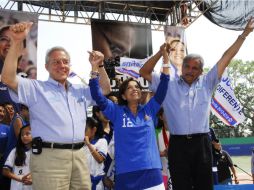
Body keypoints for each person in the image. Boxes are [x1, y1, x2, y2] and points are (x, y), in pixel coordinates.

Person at [140, 18, 254, 190]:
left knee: (204, 186)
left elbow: (227, 56)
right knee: (181, 186)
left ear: (201, 71)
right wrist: (159, 53)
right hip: (177, 144)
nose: (190, 71)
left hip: (202, 144)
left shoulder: (208, 82)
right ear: (182, 67)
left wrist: (244, 34)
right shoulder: (167, 83)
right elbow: (144, 71)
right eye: (187, 66)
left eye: (195, 68)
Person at [1, 22, 111, 190]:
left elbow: (104, 89)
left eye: (65, 62)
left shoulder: (79, 90)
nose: (62, 65)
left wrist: (100, 65)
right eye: (56, 62)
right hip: (49, 159)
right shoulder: (36, 88)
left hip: (80, 156)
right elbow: (8, 78)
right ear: (46, 67)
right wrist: (16, 42)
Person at [89, 43, 170, 190]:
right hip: (126, 175)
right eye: (129, 87)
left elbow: (164, 86)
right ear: (123, 96)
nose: (135, 89)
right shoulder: (116, 112)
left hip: (151, 173)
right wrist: (95, 67)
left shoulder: (149, 110)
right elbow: (97, 95)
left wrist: (164, 56)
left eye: (137, 87)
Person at [2, 124, 32, 190]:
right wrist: (21, 178)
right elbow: (5, 171)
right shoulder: (15, 151)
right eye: (22, 134)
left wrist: (34, 179)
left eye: (27, 134)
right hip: (16, 187)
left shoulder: (39, 152)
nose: (24, 136)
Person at [84, 117, 108, 190]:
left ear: (94, 129)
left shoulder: (102, 141)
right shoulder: (80, 144)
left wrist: (88, 144)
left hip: (97, 184)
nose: (83, 132)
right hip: (83, 182)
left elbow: (100, 159)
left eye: (85, 130)